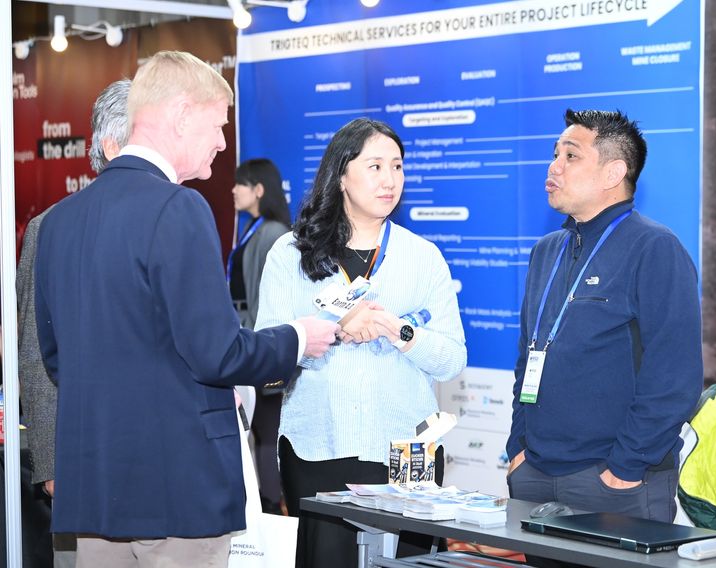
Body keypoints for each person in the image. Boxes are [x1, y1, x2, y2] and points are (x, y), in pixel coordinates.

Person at [32, 51, 339, 567]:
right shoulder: (178, 207)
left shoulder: (59, 221)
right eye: (217, 124)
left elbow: (58, 357)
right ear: (180, 115)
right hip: (175, 492)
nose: (221, 141)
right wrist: (297, 338)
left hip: (96, 493)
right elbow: (216, 353)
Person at [255, 117, 466, 567]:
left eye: (397, 166)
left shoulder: (423, 257)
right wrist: (331, 331)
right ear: (341, 176)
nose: (390, 180)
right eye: (375, 166)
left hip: (405, 453)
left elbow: (452, 360)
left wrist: (398, 330)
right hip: (319, 448)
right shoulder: (290, 254)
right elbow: (267, 357)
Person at [506, 109, 702, 523]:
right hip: (534, 474)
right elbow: (528, 358)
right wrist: (518, 447)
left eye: (571, 156)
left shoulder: (654, 249)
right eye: (555, 154)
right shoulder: (547, 251)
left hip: (612, 482)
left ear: (613, 173)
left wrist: (626, 467)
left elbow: (674, 376)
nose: (554, 167)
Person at [17, 78, 131, 568]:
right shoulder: (51, 228)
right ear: (112, 145)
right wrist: (50, 461)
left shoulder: (176, 218)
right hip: (82, 460)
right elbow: (34, 351)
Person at [228, 158, 292, 513]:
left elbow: (268, 297)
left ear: (258, 190)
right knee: (260, 430)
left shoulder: (272, 233)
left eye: (241, 183)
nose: (233, 190)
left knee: (266, 429)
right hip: (251, 338)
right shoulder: (256, 228)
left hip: (261, 343)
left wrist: (257, 347)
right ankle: (269, 505)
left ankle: (272, 507)